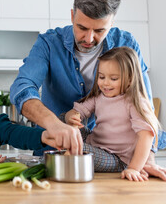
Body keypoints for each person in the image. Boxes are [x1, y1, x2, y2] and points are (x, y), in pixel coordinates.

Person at [10, 0, 166, 179]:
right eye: (82, 27)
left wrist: (147, 157)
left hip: (115, 160)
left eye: (99, 30)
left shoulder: (126, 44)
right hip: (56, 150)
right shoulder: (49, 43)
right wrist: (55, 124)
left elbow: (145, 105)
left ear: (112, 22)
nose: (89, 38)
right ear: (72, 15)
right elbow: (22, 88)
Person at [65, 47, 164, 181]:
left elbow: (146, 136)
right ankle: (68, 152)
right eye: (101, 77)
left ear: (130, 79)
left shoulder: (135, 102)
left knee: (76, 148)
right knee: (61, 121)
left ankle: (66, 156)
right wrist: (72, 117)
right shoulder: (99, 97)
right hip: (95, 143)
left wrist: (134, 168)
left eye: (113, 78)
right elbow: (78, 111)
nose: (105, 83)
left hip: (116, 158)